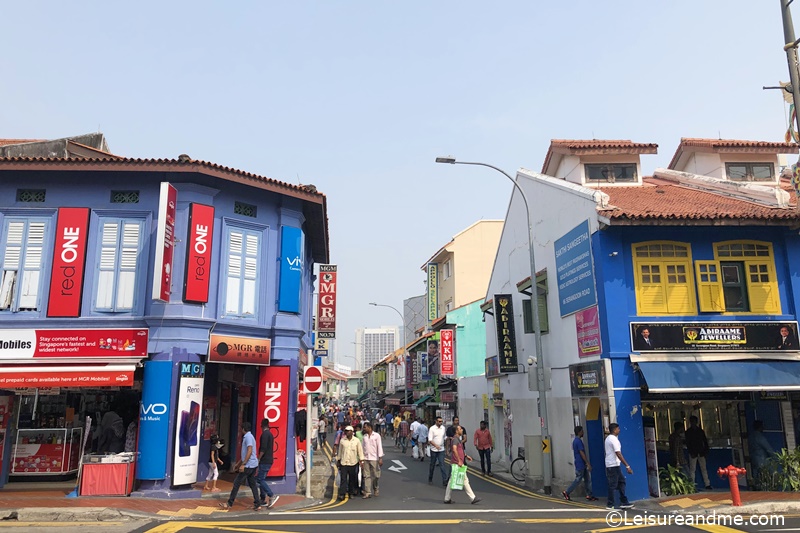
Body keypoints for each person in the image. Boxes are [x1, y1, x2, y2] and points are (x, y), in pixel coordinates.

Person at [220, 421, 262, 511]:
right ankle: (257, 504)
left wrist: (243, 464)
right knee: (252, 484)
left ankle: (229, 503)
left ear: (243, 429)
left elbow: (249, 451)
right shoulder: (250, 436)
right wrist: (238, 463)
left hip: (248, 465)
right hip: (252, 465)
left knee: (236, 483)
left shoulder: (248, 438)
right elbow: (245, 453)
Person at [443, 425, 480, 505]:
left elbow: (460, 450)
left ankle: (447, 498)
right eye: (460, 429)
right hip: (457, 463)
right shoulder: (455, 439)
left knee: (455, 481)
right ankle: (473, 498)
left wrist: (466, 456)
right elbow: (454, 449)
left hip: (458, 462)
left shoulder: (458, 439)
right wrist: (459, 460)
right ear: (456, 431)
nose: (462, 430)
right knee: (462, 480)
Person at [604, 423, 634, 510]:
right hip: (613, 465)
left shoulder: (608, 438)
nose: (619, 430)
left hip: (613, 465)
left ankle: (624, 502)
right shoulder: (613, 440)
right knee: (613, 485)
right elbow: (618, 453)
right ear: (614, 430)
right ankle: (610, 504)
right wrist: (627, 466)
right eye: (618, 429)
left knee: (621, 482)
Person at [563, 426, 597, 501]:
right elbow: (581, 453)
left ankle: (589, 495)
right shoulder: (578, 441)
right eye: (582, 431)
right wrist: (587, 463)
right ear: (579, 432)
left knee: (587, 479)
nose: (583, 433)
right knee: (578, 479)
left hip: (580, 463)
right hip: (580, 463)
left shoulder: (575, 441)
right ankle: (567, 492)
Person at [256, 419, 280, 509]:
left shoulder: (265, 435)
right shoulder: (270, 434)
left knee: (260, 479)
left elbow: (263, 448)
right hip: (269, 460)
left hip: (265, 460)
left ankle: (271, 495)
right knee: (261, 479)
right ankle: (263, 499)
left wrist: (259, 458)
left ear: (262, 426)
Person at [336, 425, 365, 499]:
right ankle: (342, 493)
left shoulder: (356, 441)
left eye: (348, 431)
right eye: (346, 431)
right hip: (344, 462)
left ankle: (351, 493)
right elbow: (340, 451)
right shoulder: (342, 440)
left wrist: (361, 460)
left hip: (353, 462)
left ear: (352, 432)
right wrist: (338, 460)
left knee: (352, 479)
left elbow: (360, 451)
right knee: (343, 479)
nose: (347, 432)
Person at [684, 416, 712, 490]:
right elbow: (688, 443)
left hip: (699, 452)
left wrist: (705, 451)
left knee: (701, 469)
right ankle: (693, 485)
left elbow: (705, 442)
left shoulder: (691, 432)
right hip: (695, 452)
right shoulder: (696, 431)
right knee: (693, 469)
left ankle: (707, 484)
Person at [361, 421, 384, 498]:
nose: (364, 428)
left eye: (365, 427)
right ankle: (368, 492)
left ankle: (376, 488)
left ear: (370, 428)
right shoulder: (364, 437)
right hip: (366, 458)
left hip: (375, 458)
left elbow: (379, 447)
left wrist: (380, 458)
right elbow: (362, 448)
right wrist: (361, 459)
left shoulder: (376, 436)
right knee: (366, 476)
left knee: (376, 475)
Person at [428, 416, 449, 486]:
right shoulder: (432, 429)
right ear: (436, 421)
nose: (441, 423)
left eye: (441, 421)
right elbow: (430, 440)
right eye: (439, 421)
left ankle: (444, 480)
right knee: (432, 465)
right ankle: (430, 478)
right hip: (433, 450)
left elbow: (444, 437)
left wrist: (448, 439)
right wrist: (436, 445)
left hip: (441, 449)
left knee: (442, 464)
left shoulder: (443, 428)